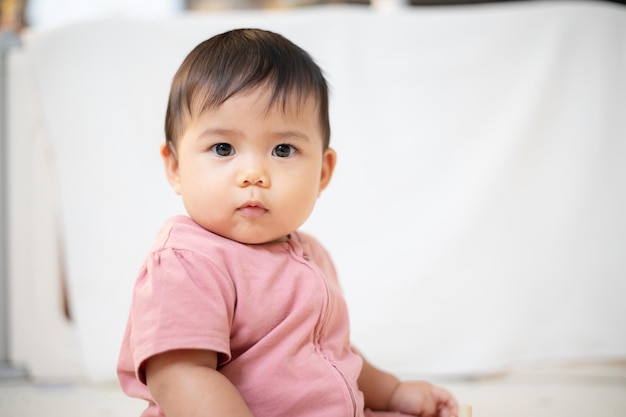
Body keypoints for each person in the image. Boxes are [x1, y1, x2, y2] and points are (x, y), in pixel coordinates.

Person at [117, 28, 458, 417]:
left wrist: (394, 393)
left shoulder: (310, 253)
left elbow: (328, 353)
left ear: (323, 172)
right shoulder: (187, 262)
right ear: (175, 167)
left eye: (283, 149)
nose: (253, 173)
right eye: (223, 148)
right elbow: (179, 375)